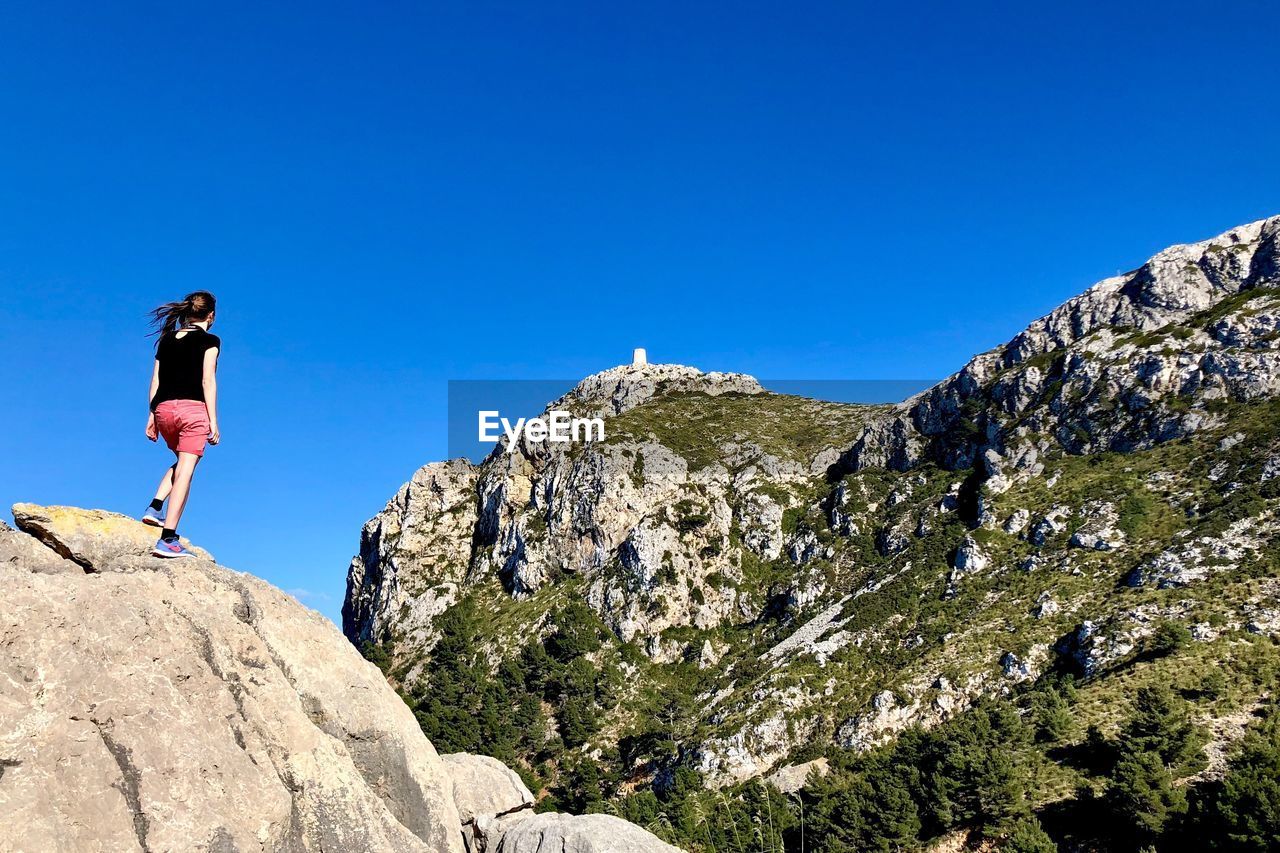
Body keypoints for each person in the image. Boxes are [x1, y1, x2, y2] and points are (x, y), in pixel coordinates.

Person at [142, 291, 221, 557]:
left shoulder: (165, 341)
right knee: (186, 471)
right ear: (211, 315)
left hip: (164, 411)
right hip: (192, 411)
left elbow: (156, 381)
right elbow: (207, 381)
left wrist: (152, 416)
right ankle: (168, 538)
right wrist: (213, 420)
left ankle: (155, 507)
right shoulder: (210, 341)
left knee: (183, 462)